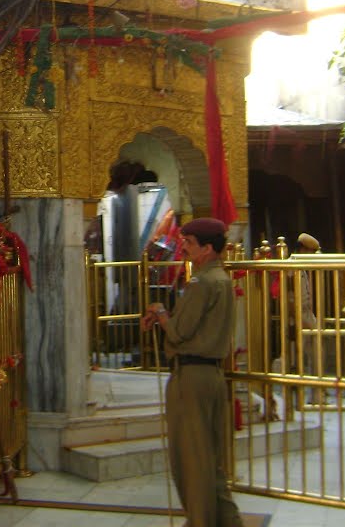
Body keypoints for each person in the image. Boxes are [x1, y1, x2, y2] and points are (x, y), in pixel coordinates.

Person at [141, 217, 243, 527]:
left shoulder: (202, 282)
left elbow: (180, 332)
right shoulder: (222, 279)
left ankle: (200, 521)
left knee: (192, 461)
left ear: (208, 248)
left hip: (191, 376)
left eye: (189, 243)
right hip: (211, 376)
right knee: (209, 461)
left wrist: (160, 314)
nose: (183, 248)